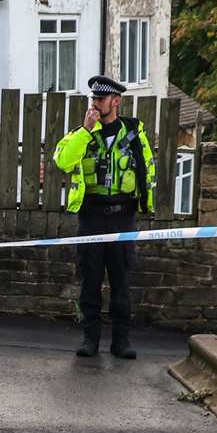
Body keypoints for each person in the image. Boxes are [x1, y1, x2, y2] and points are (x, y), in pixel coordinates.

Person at [52, 74, 156, 359]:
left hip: (123, 216)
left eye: (101, 99)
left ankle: (121, 341)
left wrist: (146, 206)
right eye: (93, 99)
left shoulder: (134, 132)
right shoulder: (81, 134)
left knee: (121, 279)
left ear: (116, 101)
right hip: (92, 216)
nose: (95, 104)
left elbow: (148, 169)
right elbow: (62, 161)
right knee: (90, 279)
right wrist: (86, 131)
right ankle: (90, 339)